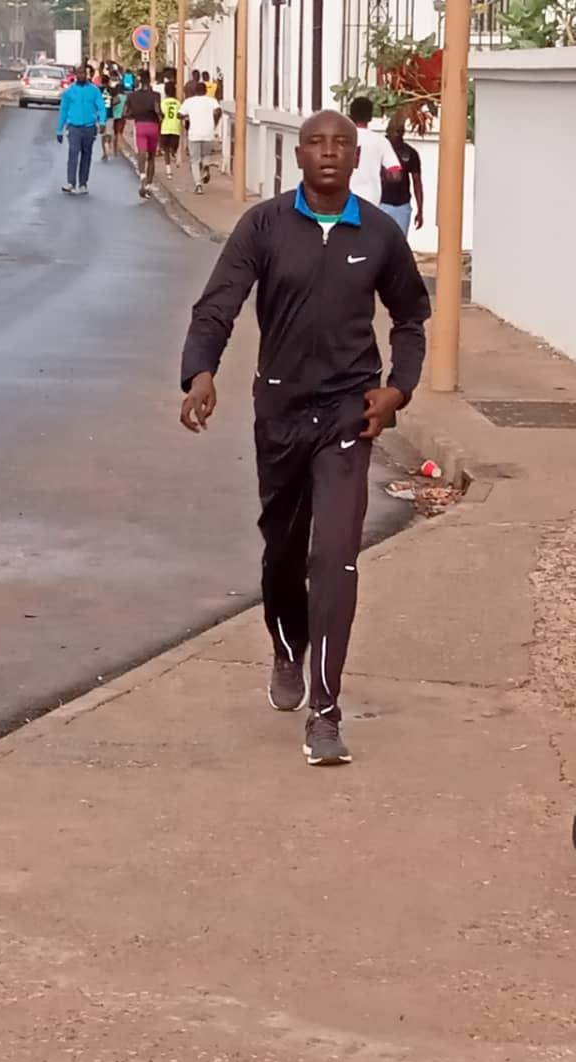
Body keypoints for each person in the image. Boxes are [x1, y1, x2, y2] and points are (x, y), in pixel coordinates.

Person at [179, 110, 430, 766]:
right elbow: (218, 305)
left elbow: (410, 318)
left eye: (340, 144)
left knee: (336, 557)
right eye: (316, 143)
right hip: (281, 412)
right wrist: (200, 372)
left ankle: (325, 713)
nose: (328, 153)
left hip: (349, 413)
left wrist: (398, 389)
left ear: (355, 158)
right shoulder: (264, 226)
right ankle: (287, 647)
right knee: (283, 555)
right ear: (298, 156)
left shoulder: (377, 233)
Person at [56, 65, 107, 195]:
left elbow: (101, 107)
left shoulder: (94, 90)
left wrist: (102, 122)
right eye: (79, 73)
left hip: (89, 128)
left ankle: (83, 183)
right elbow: (63, 111)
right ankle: (71, 183)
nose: (81, 75)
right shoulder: (69, 91)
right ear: (75, 75)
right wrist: (59, 130)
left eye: (83, 73)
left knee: (86, 155)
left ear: (87, 74)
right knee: (73, 152)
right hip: (74, 127)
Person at [348, 96, 401, 206]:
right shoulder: (380, 141)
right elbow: (395, 175)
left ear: (350, 115)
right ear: (370, 117)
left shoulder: (341, 138)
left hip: (344, 200)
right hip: (371, 200)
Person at [379, 114, 424, 237]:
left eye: (399, 131)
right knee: (380, 242)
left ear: (403, 132)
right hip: (380, 203)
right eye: (394, 130)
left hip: (402, 205)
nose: (396, 134)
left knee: (399, 243)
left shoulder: (410, 153)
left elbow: (417, 182)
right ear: (388, 131)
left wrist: (420, 209)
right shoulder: (379, 149)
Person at [179, 82, 221, 194]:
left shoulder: (189, 101)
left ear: (195, 91)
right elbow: (218, 111)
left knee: (195, 161)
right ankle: (206, 167)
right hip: (208, 132)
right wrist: (215, 122)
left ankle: (198, 185)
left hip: (194, 134)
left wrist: (188, 115)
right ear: (205, 91)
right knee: (205, 155)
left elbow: (179, 115)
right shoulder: (211, 100)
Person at [125, 69, 162, 198]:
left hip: (140, 126)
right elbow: (158, 111)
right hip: (153, 126)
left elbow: (125, 113)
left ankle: (142, 175)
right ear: (149, 80)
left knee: (141, 152)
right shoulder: (156, 95)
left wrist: (135, 115)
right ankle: (149, 185)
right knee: (151, 157)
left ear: (139, 80)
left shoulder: (132, 96)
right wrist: (160, 120)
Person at [160, 79, 181, 178]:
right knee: (173, 149)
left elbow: (161, 115)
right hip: (175, 128)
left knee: (165, 150)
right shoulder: (178, 103)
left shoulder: (163, 103)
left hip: (165, 128)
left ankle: (168, 170)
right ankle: (174, 155)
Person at [99, 72, 114, 161]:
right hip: (110, 114)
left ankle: (104, 152)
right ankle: (108, 145)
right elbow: (117, 100)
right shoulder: (111, 90)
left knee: (103, 134)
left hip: (101, 115)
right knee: (109, 133)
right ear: (108, 81)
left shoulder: (98, 90)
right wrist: (111, 104)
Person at [112, 80, 127, 157]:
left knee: (115, 134)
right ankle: (120, 149)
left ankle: (115, 150)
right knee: (120, 133)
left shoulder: (116, 97)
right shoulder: (126, 97)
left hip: (116, 117)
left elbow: (113, 104)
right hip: (123, 117)